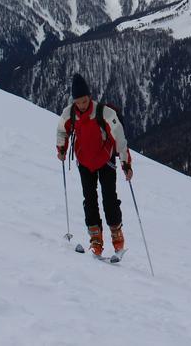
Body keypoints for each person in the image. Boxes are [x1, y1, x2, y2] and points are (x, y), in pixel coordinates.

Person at [56, 73, 133, 257]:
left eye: (84, 101)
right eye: (78, 102)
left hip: (105, 160)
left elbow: (120, 139)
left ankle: (117, 237)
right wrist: (61, 149)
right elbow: (61, 130)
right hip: (84, 162)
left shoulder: (104, 113)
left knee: (109, 199)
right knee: (89, 200)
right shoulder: (70, 113)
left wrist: (126, 164)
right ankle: (96, 240)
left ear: (89, 97)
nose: (81, 105)